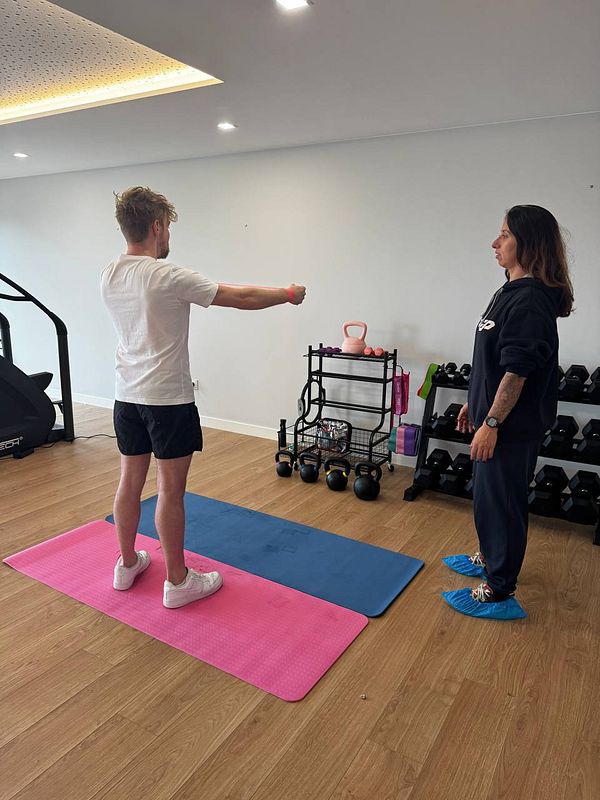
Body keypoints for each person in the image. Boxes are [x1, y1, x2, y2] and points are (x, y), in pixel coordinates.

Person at [101, 186, 306, 609]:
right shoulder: (166, 275)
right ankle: (177, 581)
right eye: (168, 226)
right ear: (157, 227)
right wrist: (287, 294)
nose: (169, 234)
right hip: (167, 400)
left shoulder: (109, 273)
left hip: (126, 396)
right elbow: (240, 297)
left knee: (129, 482)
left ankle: (126, 564)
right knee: (170, 491)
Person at [445, 205, 574, 618]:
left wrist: (493, 422)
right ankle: (489, 556)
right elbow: (493, 361)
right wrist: (474, 401)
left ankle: (500, 590)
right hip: (491, 416)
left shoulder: (532, 300)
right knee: (487, 498)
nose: (494, 242)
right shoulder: (508, 290)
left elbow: (518, 371)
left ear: (528, 242)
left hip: (510, 427)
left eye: (504, 234)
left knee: (503, 502)